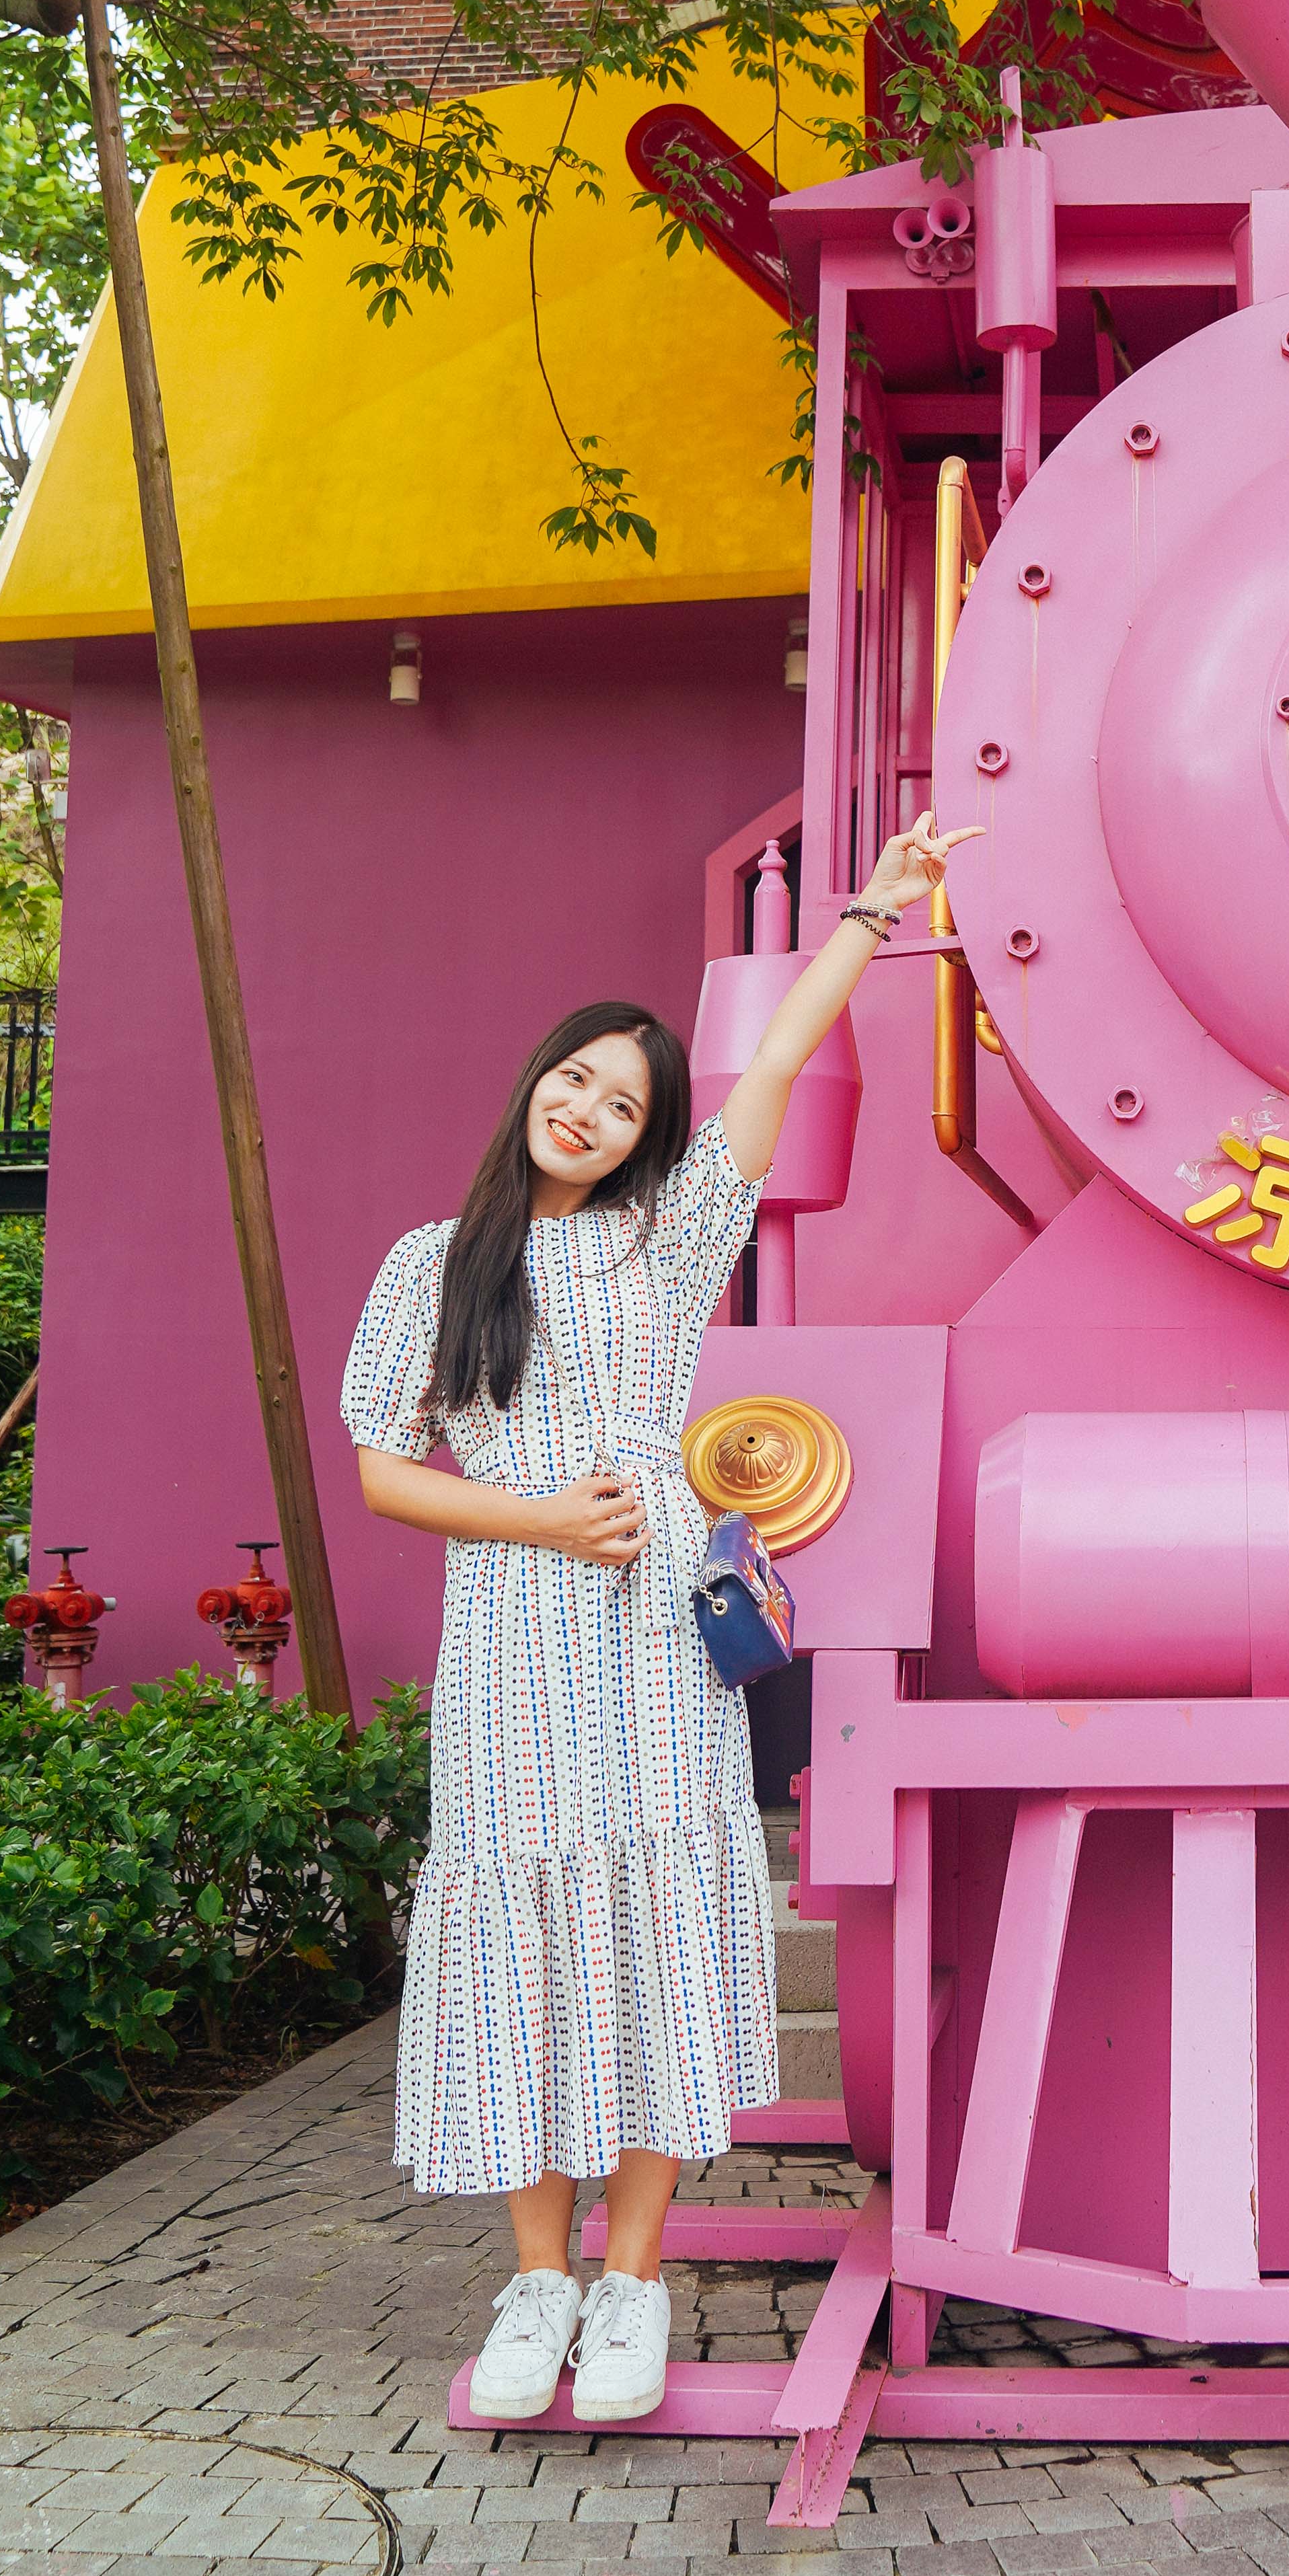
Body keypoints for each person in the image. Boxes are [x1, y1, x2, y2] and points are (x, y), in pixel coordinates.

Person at [343, 812, 975, 2428]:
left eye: (626, 1102)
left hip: (643, 1656)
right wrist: (545, 1516)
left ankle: (637, 2279)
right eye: (578, 1081)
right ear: (534, 1088)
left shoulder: (664, 1244)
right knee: (532, 1938)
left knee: (650, 1931)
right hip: (506, 1651)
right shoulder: (436, 1263)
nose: (593, 1108)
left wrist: (866, 917)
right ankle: (536, 2281)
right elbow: (387, 1474)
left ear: (644, 1140)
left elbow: (765, 1089)